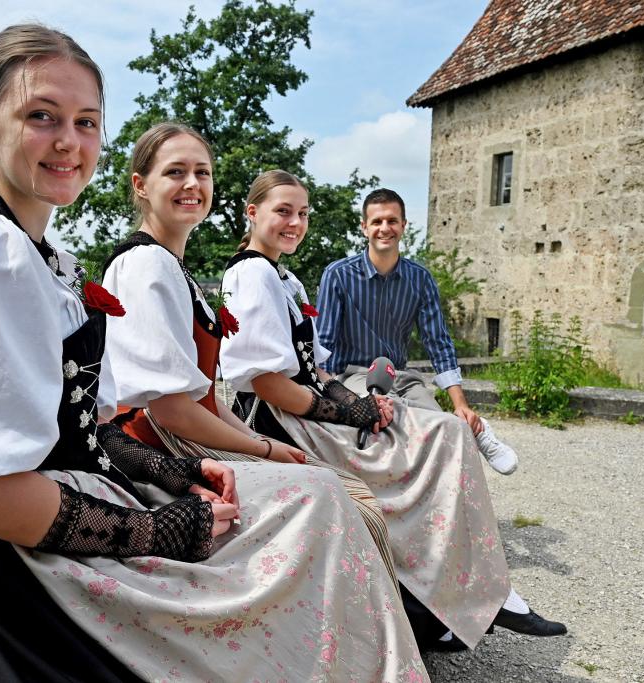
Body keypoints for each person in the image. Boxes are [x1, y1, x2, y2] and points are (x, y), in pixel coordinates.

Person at [0, 31, 428, 680]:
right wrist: (155, 530)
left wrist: (175, 472)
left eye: (86, 122)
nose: (68, 141)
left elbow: (85, 429)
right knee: (309, 518)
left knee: (315, 505)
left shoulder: (46, 259)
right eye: (41, 116)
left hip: (57, 499)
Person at [101, 123, 427, 679]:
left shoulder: (172, 266)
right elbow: (169, 409)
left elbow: (204, 396)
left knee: (342, 487)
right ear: (140, 185)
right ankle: (357, 646)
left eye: (202, 172)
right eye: (175, 172)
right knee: (333, 491)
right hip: (158, 447)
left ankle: (376, 630)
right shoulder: (146, 265)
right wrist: (267, 448)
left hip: (188, 427)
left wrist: (260, 442)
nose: (192, 184)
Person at [219, 170, 567, 651]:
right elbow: (268, 383)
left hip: (311, 402)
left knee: (448, 433)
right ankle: (476, 591)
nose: (295, 222)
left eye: (302, 213)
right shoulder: (251, 273)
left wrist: (358, 403)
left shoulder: (284, 276)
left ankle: (467, 589)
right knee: (430, 445)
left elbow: (318, 368)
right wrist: (349, 413)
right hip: (279, 417)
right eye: (283, 211)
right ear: (252, 213)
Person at [316, 188, 518, 475]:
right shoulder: (338, 275)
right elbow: (323, 342)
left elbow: (438, 343)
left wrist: (461, 403)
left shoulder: (420, 279)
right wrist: (323, 397)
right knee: (396, 417)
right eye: (376, 222)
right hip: (355, 376)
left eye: (392, 221)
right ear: (364, 227)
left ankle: (475, 427)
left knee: (442, 425)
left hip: (401, 376)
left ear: (403, 225)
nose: (384, 228)